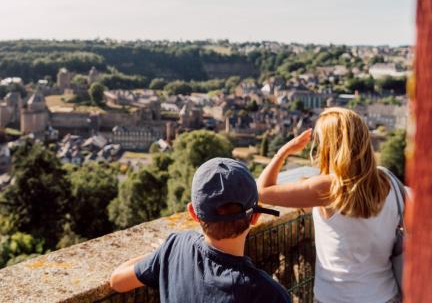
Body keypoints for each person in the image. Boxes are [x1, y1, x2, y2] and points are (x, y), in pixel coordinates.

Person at [257, 107, 403, 303]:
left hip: (337, 298)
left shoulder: (328, 187)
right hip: (386, 295)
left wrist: (284, 152)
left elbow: (261, 191)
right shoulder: (388, 179)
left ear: (330, 145)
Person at [109, 157, 291, 302]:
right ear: (255, 216)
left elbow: (117, 280)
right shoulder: (269, 295)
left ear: (193, 214)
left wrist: (162, 253)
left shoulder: (175, 247)